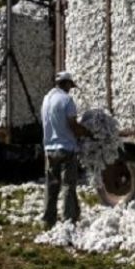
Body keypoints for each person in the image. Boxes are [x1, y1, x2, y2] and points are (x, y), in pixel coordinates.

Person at [40, 70, 91, 229]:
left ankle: (48, 220)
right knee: (69, 185)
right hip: (66, 148)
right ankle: (69, 220)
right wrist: (87, 133)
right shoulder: (66, 100)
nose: (71, 88)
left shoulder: (46, 99)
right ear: (67, 84)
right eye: (70, 85)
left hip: (49, 149)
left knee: (51, 185)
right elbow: (73, 125)